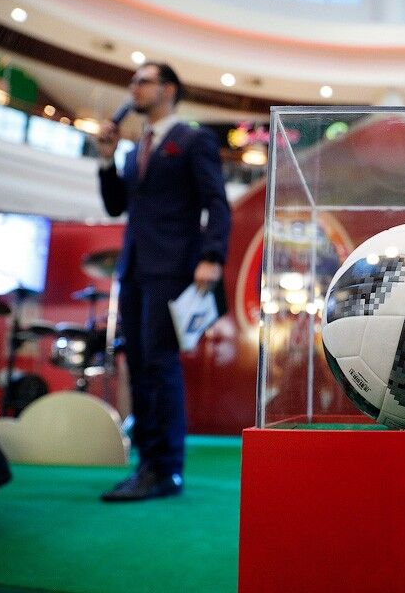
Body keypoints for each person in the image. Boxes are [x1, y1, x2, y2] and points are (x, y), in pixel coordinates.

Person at [95, 62, 231, 501]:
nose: (133, 87)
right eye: (132, 81)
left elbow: (216, 202)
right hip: (134, 269)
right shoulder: (135, 150)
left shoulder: (192, 140)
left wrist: (212, 256)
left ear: (168, 89)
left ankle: (166, 470)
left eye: (143, 81)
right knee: (138, 367)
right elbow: (116, 206)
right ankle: (147, 465)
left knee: (159, 365)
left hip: (173, 269)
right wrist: (107, 158)